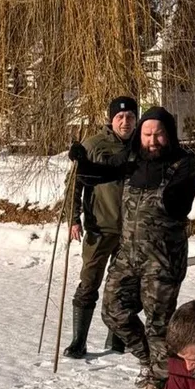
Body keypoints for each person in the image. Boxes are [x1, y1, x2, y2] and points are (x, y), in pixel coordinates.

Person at [70, 107, 195, 389]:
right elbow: (98, 175)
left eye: (158, 134)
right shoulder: (132, 159)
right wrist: (80, 161)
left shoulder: (185, 164)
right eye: (147, 134)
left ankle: (161, 382)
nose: (152, 140)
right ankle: (156, 363)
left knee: (158, 325)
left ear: (169, 135)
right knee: (113, 311)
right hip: (128, 255)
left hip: (163, 260)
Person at [64, 96, 139, 360]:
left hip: (132, 231)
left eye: (130, 116)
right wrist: (73, 218)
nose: (126, 121)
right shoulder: (93, 145)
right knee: (89, 281)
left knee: (124, 286)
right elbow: (74, 185)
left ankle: (117, 339)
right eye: (120, 117)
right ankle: (78, 341)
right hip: (100, 228)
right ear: (111, 119)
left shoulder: (142, 146)